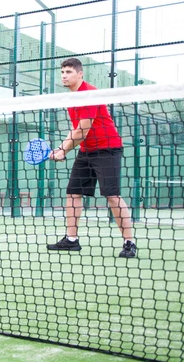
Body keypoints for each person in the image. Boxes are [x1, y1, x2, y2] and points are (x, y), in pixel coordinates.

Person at [47, 57, 136, 258]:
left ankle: (129, 242)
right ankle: (71, 240)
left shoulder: (89, 94)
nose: (64, 75)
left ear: (80, 74)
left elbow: (82, 130)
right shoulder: (71, 98)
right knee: (73, 193)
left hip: (108, 149)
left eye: (69, 72)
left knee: (112, 196)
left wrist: (63, 150)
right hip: (86, 151)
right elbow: (76, 129)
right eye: (62, 72)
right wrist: (61, 148)